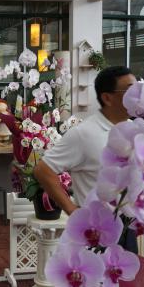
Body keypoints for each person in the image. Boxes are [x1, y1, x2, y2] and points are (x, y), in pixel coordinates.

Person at [33, 65, 137, 214]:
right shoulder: (84, 134)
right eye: (131, 91)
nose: (138, 95)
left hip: (132, 221)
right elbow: (43, 171)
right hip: (98, 222)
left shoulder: (135, 129)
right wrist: (71, 209)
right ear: (107, 98)